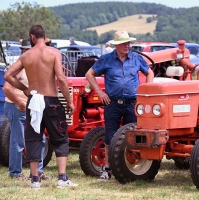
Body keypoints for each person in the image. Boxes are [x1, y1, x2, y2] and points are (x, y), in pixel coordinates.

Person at [4, 25, 78, 189]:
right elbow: (61, 78)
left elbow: (7, 75)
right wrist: (70, 101)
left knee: (33, 138)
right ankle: (62, 177)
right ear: (45, 37)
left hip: (33, 100)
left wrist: (24, 89)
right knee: (60, 137)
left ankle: (35, 179)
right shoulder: (54, 53)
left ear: (31, 37)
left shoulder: (26, 56)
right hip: (51, 100)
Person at [85, 30, 154, 180]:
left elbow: (150, 73)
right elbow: (89, 74)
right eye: (124, 43)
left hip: (132, 103)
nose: (127, 46)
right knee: (110, 136)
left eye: (128, 43)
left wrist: (146, 93)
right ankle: (107, 169)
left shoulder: (136, 58)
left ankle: (134, 167)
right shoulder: (106, 59)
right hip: (113, 103)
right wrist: (100, 93)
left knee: (134, 135)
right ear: (117, 45)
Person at [3, 39, 51, 181]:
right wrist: (19, 102)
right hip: (16, 107)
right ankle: (16, 173)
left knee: (40, 139)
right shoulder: (19, 67)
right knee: (18, 141)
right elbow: (6, 88)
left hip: (30, 108)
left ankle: (37, 171)